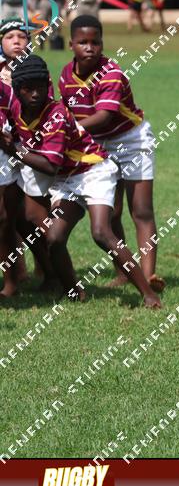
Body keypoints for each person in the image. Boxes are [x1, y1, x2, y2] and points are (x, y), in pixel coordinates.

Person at [0, 55, 161, 307]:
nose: (35, 94)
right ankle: (74, 292)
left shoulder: (56, 114)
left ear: (47, 86)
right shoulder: (18, 110)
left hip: (93, 172)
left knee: (101, 233)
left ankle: (148, 293)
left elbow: (50, 165)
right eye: (28, 89)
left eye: (40, 87)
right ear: (17, 90)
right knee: (54, 238)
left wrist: (14, 150)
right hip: (66, 181)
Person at [59, 15, 165, 292]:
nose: (89, 47)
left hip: (132, 140)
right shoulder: (65, 77)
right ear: (71, 45)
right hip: (97, 145)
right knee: (112, 213)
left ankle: (148, 275)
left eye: (95, 42)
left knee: (141, 210)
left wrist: (68, 129)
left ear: (103, 43)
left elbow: (105, 116)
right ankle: (123, 272)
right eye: (82, 42)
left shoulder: (111, 73)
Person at [0, 18, 56, 297]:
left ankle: (51, 269)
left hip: (32, 152)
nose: (16, 41)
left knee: (33, 216)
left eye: (22, 36)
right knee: (7, 218)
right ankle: (16, 275)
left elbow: (46, 110)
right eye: (9, 36)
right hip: (5, 150)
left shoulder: (36, 70)